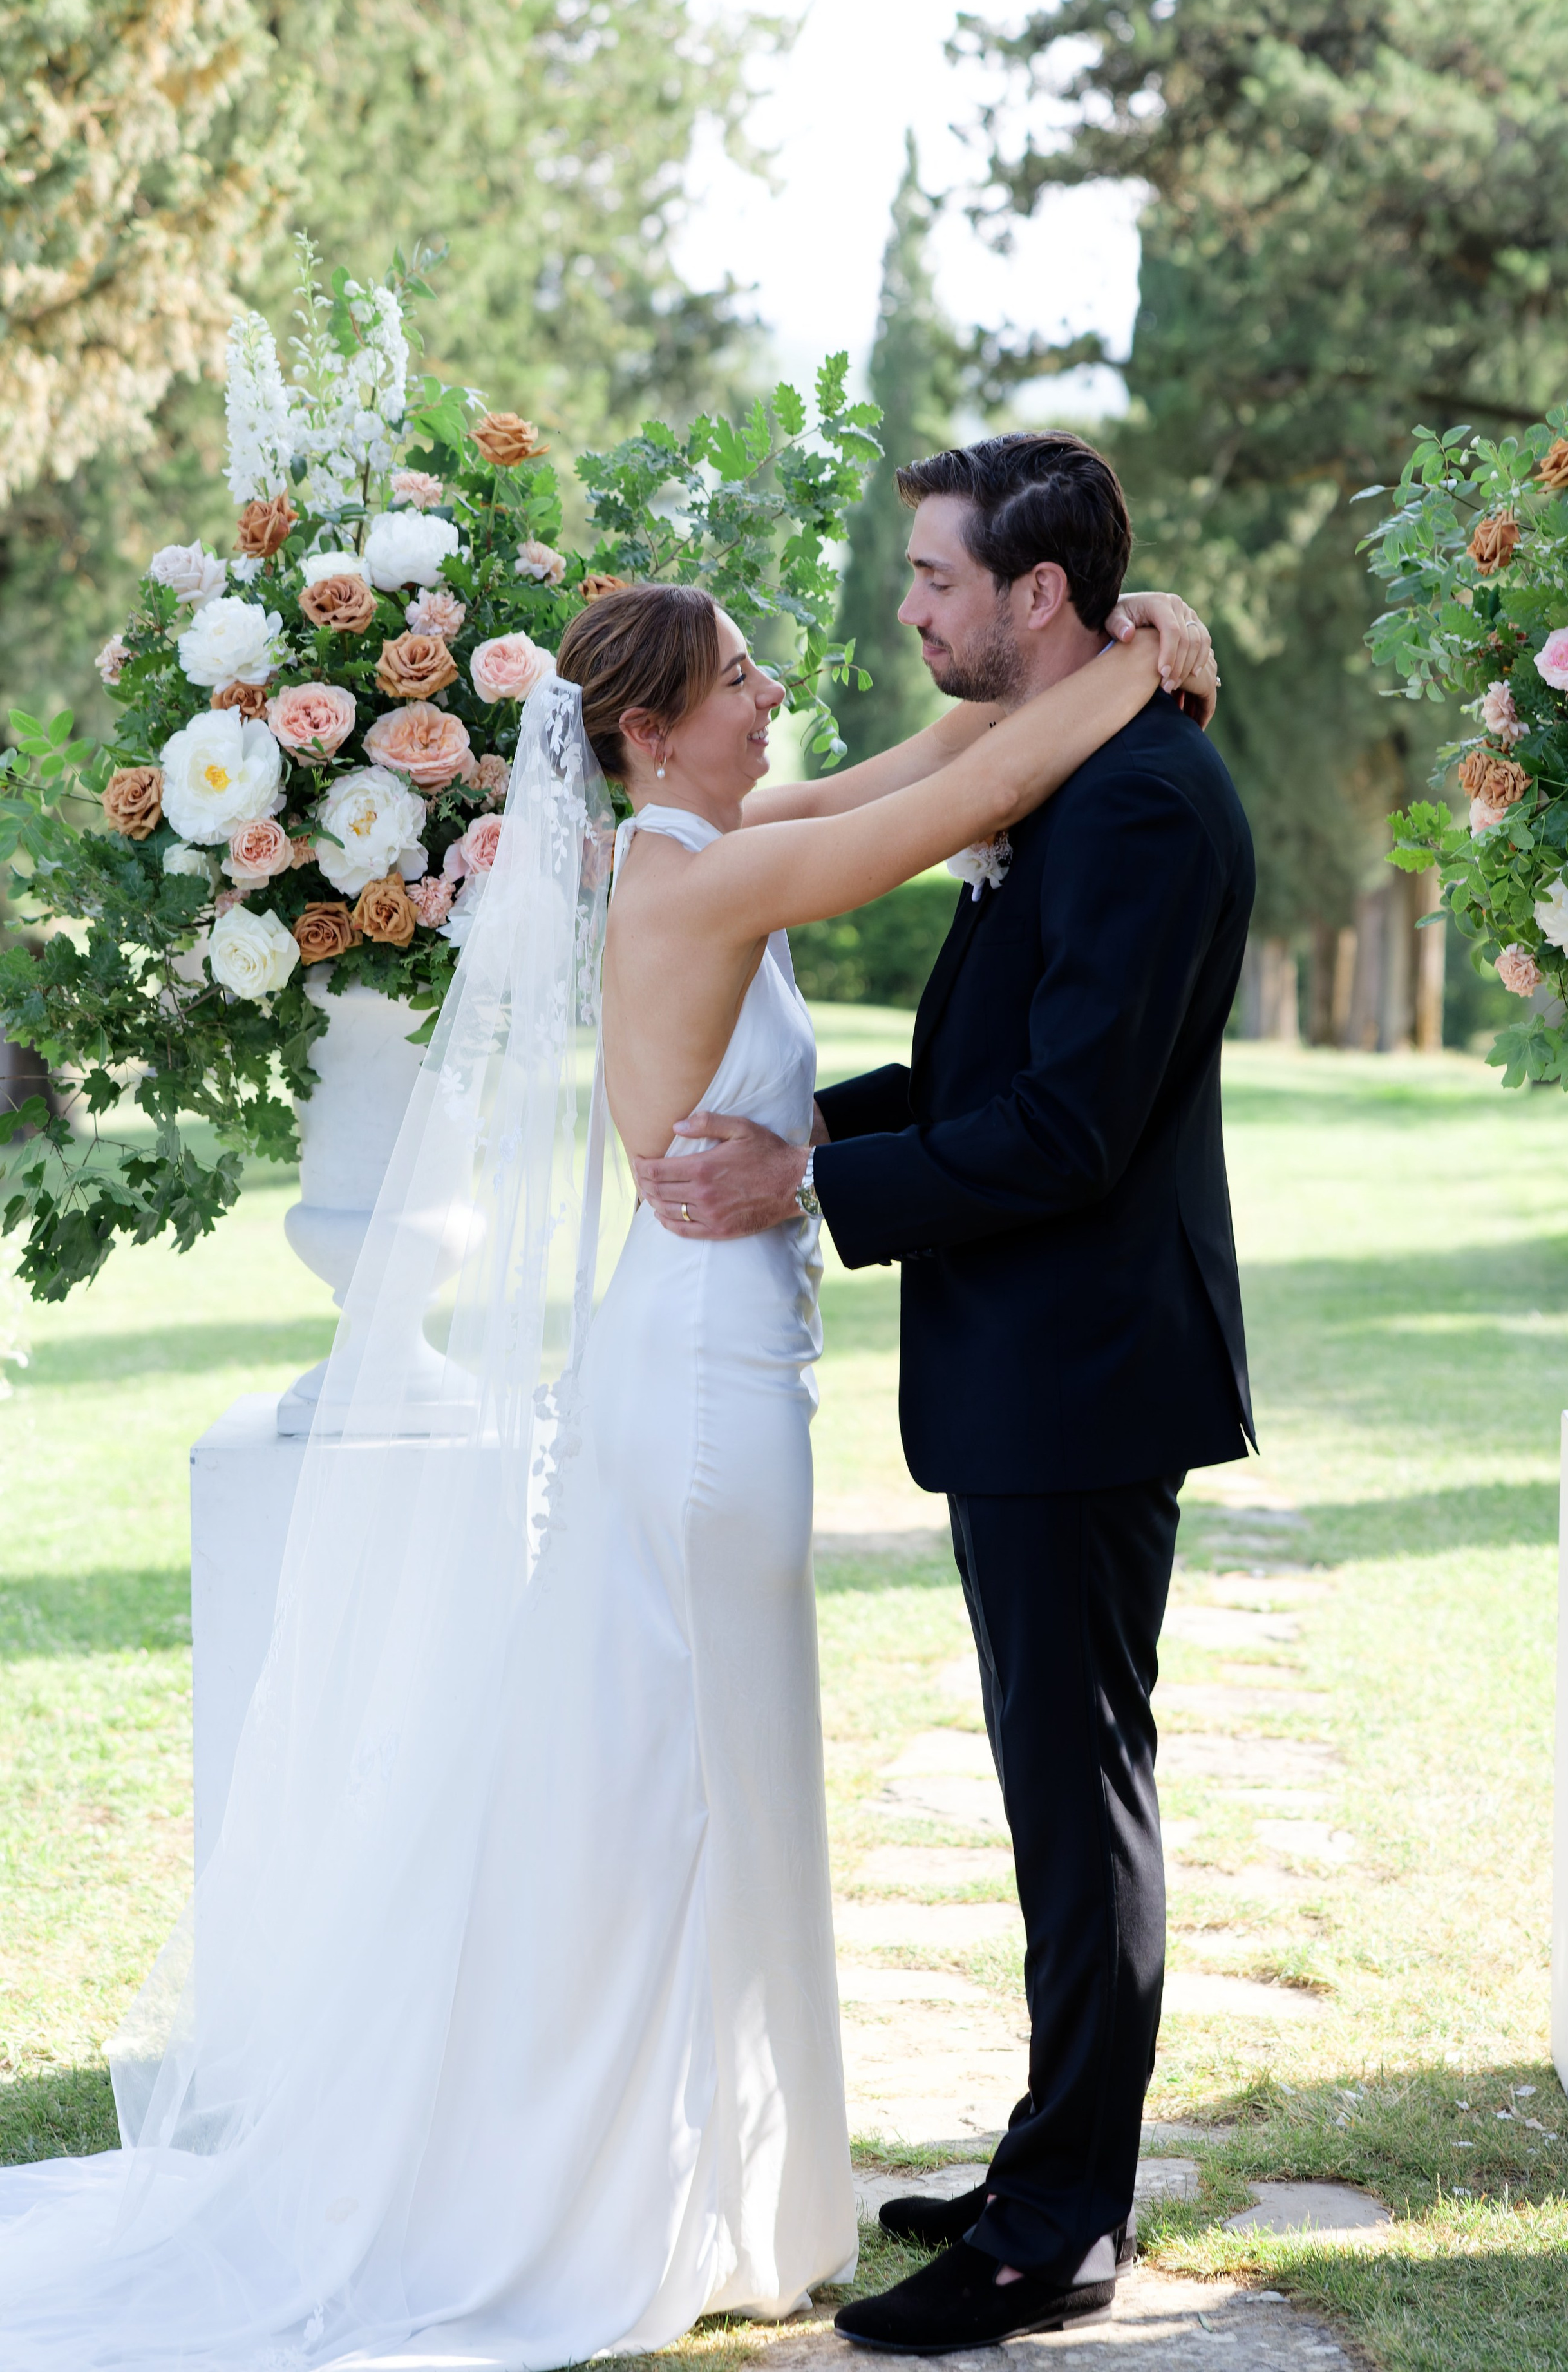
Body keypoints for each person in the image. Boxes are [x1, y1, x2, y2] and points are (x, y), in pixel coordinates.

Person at [0, 554, 1214, 2367]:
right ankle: (641, 2193)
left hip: (718, 1362)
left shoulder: (712, 838)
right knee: (688, 1780)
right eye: (735, 679)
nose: (770, 699)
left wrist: (1143, 631)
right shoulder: (701, 880)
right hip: (708, 1389)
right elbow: (972, 798)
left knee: (713, 1764)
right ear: (645, 734)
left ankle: (738, 2179)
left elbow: (928, 748)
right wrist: (1130, 670)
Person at [633, 431, 1257, 2355]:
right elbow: (996, 1078)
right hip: (1033, 1365)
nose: (907, 611)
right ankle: (1040, 2159)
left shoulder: (1138, 803)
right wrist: (817, 1126)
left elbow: (1067, 1130)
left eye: (933, 578)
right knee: (1050, 1787)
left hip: (1083, 1372)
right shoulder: (1054, 782)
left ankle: (1059, 2228)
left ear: (1037, 596)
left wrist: (808, 1176)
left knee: (1081, 1797)